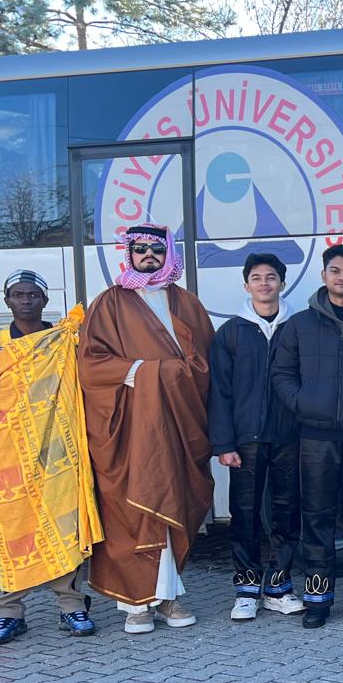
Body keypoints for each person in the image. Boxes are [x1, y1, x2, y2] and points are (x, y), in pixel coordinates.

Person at [79, 224, 213, 635]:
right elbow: (91, 363)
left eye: (156, 249)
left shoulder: (186, 303)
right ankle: (135, 603)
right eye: (140, 249)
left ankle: (169, 597)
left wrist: (171, 377)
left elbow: (207, 363)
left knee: (173, 503)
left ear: (168, 253)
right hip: (129, 427)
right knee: (131, 511)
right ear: (129, 253)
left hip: (178, 424)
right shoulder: (109, 303)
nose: (148, 255)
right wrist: (146, 372)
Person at [0, 270, 102, 645]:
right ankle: (9, 610)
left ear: (45, 300)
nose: (26, 300)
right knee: (12, 526)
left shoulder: (64, 339)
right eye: (18, 294)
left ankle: (71, 604)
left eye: (33, 295)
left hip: (59, 449)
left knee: (64, 523)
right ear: (7, 300)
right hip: (9, 451)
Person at [270, 244, 343, 629]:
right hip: (315, 437)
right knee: (317, 516)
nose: (342, 277)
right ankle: (318, 598)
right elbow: (281, 374)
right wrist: (304, 405)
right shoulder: (300, 325)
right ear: (323, 276)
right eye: (335, 271)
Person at [208, 253, 303, 622]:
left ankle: (279, 588)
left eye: (271, 277)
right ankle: (246, 589)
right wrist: (224, 444)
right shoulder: (231, 332)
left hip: (289, 435)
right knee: (244, 514)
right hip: (245, 439)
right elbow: (220, 391)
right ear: (246, 284)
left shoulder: (298, 327)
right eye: (257, 277)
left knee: (286, 512)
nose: (265, 283)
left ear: (282, 283)